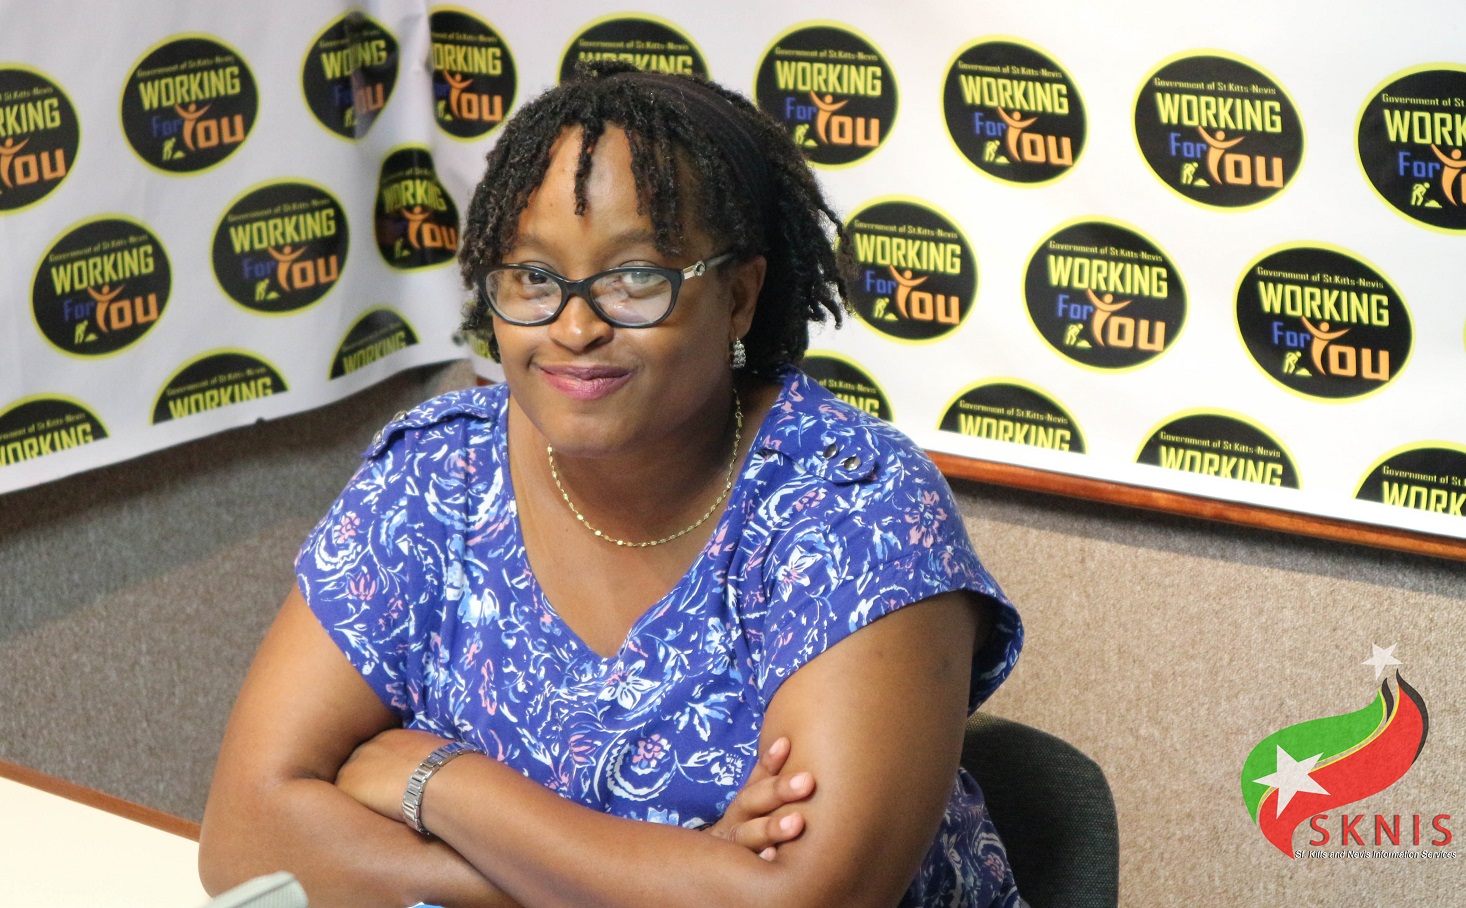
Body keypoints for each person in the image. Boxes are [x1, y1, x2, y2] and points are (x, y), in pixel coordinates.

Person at [198, 62, 1024, 908]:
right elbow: (245, 842)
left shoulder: (854, 509)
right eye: (533, 277)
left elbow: (795, 903)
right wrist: (662, 877)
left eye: (634, 278)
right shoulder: (438, 476)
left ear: (738, 297)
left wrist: (442, 783)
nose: (575, 326)